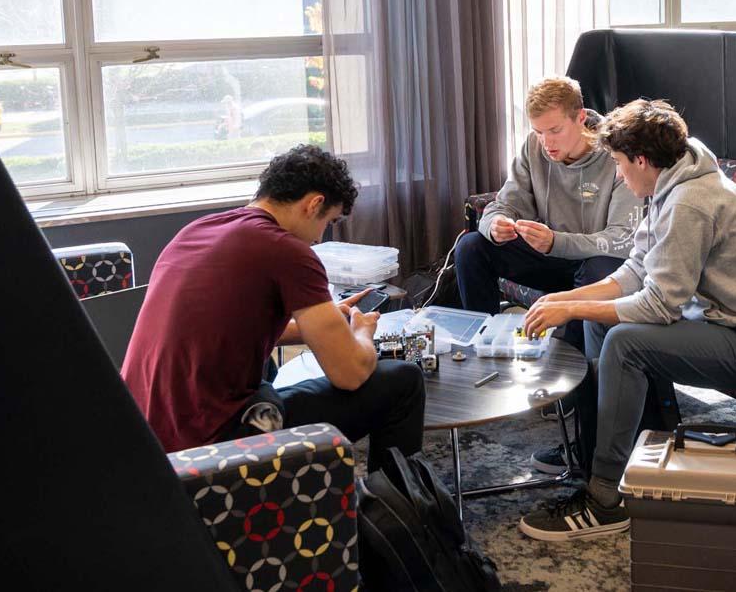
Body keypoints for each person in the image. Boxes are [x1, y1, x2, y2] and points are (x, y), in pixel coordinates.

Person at [516, 99, 736, 540]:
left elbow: (658, 305)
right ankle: (607, 455)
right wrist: (566, 298)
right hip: (720, 323)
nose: (616, 174)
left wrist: (571, 308)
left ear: (641, 160)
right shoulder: (670, 182)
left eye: (618, 163)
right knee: (601, 325)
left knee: (624, 343)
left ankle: (605, 499)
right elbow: (634, 270)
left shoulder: (690, 201)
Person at [121, 146, 424, 473]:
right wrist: (361, 334)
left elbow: (229, 329)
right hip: (213, 448)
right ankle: (394, 512)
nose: (320, 238)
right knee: (403, 380)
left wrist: (321, 324)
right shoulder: (287, 250)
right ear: (314, 204)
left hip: (142, 436)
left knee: (265, 371)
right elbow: (348, 375)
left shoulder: (197, 230)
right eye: (329, 222)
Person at [454, 76, 644, 474]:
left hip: (598, 266)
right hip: (551, 255)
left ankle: (570, 390)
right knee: (471, 246)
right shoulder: (534, 148)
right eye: (538, 132)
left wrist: (556, 241)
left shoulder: (618, 155)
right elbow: (503, 203)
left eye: (555, 130)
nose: (547, 142)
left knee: (599, 267)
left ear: (581, 119)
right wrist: (498, 224)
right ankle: (487, 358)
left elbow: (622, 242)